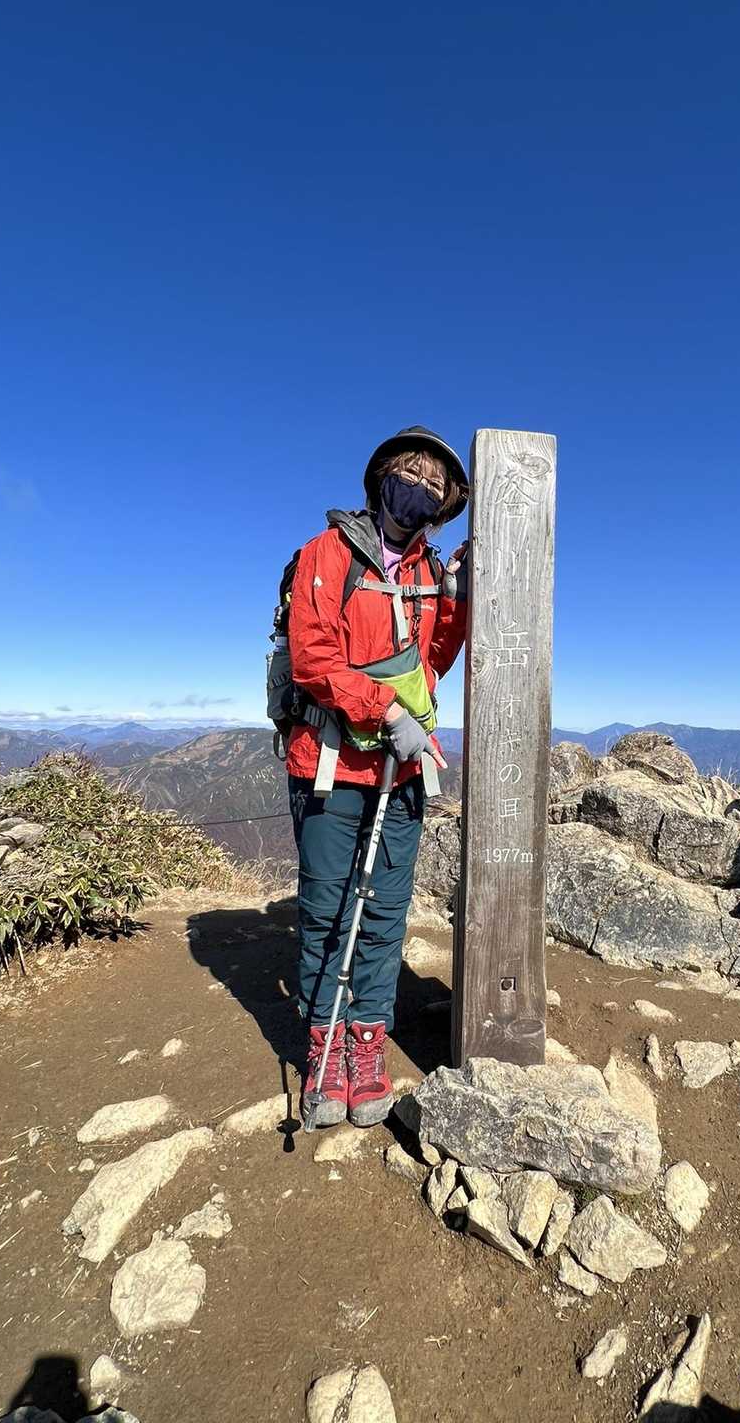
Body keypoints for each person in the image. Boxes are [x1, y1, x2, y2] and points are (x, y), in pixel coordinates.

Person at [286, 425, 469, 1127]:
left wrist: (456, 598)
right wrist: (385, 710)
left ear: (443, 504)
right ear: (381, 479)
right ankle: (324, 1047)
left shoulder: (427, 572)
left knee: (385, 915)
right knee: (327, 911)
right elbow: (313, 658)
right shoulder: (327, 554)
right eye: (410, 472)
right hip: (332, 764)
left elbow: (432, 661)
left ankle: (366, 1045)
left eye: (434, 482)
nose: (419, 486)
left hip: (401, 772)